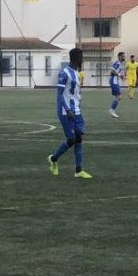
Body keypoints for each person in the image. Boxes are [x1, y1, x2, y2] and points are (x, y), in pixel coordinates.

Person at [47, 48, 92, 179]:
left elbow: (76, 94)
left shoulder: (76, 73)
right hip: (65, 111)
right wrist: (67, 110)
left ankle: (78, 170)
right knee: (71, 139)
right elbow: (60, 94)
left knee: (79, 139)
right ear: (76, 58)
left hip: (76, 111)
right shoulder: (64, 73)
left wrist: (78, 108)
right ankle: (53, 159)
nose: (82, 60)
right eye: (81, 58)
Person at [109, 52, 125, 118]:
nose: (124, 57)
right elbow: (112, 71)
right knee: (119, 96)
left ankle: (112, 110)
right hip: (114, 81)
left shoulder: (121, 64)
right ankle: (112, 110)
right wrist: (119, 75)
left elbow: (117, 72)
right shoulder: (117, 63)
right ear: (119, 56)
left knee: (118, 96)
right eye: (123, 56)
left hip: (116, 81)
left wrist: (121, 77)